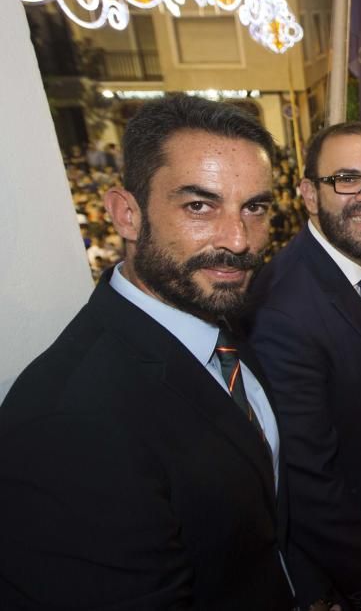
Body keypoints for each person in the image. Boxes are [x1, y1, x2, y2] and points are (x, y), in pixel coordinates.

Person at [0, 95, 293, 608]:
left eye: (255, 207)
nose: (239, 239)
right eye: (199, 205)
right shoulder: (69, 423)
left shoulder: (221, 321)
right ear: (126, 214)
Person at [247, 122, 361, 611]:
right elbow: (308, 488)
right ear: (308, 194)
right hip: (334, 571)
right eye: (347, 179)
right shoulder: (283, 308)